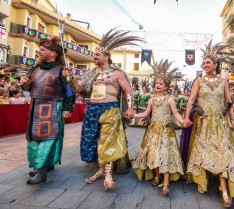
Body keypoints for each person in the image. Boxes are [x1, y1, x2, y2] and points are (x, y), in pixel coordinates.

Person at [182, 41, 234, 208]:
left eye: (208, 62)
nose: (205, 65)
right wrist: (186, 118)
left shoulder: (223, 81)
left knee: (223, 151)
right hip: (204, 123)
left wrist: (233, 119)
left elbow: (228, 101)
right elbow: (191, 101)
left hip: (220, 123)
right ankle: (204, 178)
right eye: (204, 63)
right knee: (205, 151)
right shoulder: (198, 81)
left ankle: (223, 187)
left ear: (215, 65)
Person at [72, 28, 143, 191]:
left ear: (106, 56)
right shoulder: (90, 74)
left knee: (107, 141)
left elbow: (128, 91)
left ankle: (108, 175)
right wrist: (78, 84)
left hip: (109, 109)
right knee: (94, 140)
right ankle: (100, 170)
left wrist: (131, 107)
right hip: (92, 109)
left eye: (97, 55)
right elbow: (81, 91)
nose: (94, 57)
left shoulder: (117, 73)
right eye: (94, 54)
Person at [20, 36, 75, 185]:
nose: (39, 51)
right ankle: (43, 164)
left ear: (53, 53)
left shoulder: (62, 70)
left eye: (43, 50)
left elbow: (69, 91)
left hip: (52, 107)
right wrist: (25, 84)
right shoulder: (35, 68)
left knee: (47, 138)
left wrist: (67, 108)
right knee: (33, 138)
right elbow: (28, 87)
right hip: (35, 107)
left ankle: (42, 171)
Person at [132, 59, 185, 197]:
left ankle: (166, 183)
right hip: (153, 131)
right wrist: (134, 114)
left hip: (167, 131)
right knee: (154, 153)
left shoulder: (170, 99)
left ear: (166, 87)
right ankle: (157, 175)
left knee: (165, 155)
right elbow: (146, 113)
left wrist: (183, 120)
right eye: (156, 83)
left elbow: (176, 114)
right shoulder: (151, 100)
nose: (157, 85)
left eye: (161, 83)